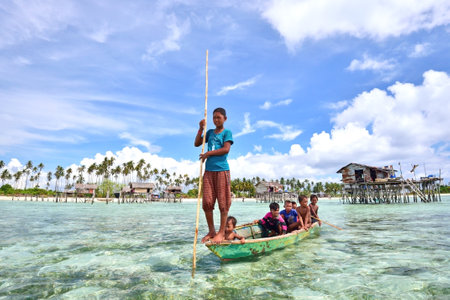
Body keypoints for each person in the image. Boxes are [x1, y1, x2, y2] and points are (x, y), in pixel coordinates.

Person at [194, 107, 233, 243]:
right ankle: (212, 230)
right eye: (214, 118)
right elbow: (197, 143)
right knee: (208, 202)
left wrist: (208, 154)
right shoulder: (210, 133)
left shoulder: (227, 133)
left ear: (224, 119)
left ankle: (221, 232)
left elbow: (226, 149)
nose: (216, 120)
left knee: (223, 203)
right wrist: (201, 129)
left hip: (222, 171)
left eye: (219, 117)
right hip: (209, 172)